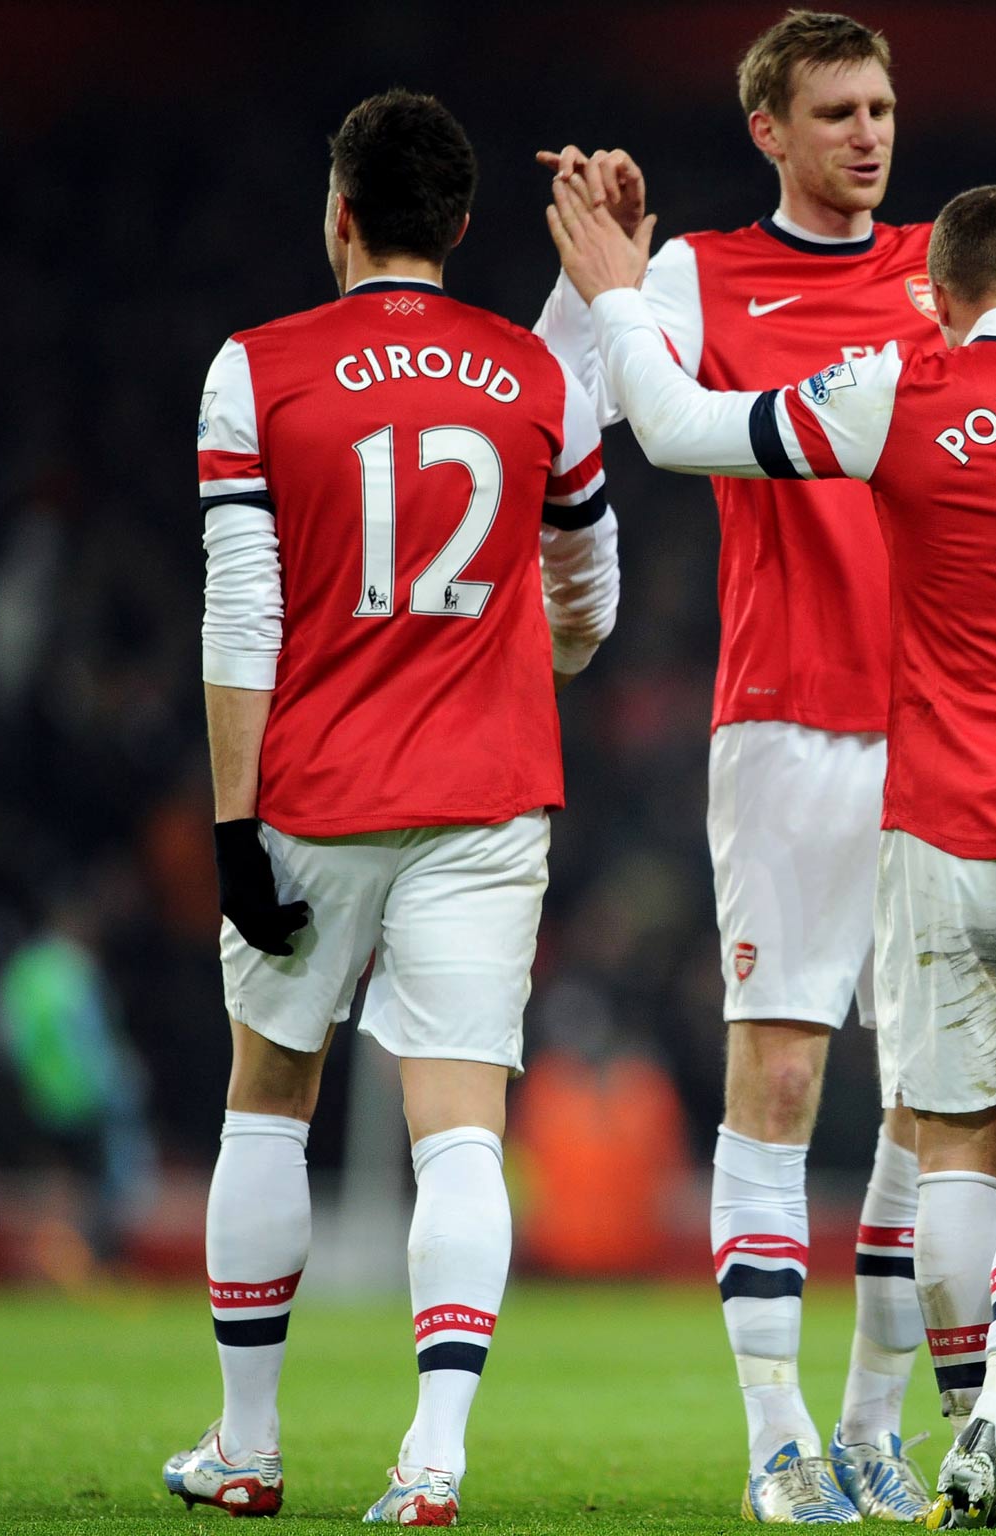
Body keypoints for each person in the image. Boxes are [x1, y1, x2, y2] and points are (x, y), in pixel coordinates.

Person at [532, 10, 996, 1521]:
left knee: (919, 1113)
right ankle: (773, 1438)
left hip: (948, 743)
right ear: (770, 132)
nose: (869, 134)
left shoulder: (946, 274)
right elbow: (572, 412)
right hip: (791, 725)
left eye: (881, 106)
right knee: (786, 1069)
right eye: (835, 112)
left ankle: (879, 1427)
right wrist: (588, 279)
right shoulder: (702, 276)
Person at [165, 89, 620, 1527]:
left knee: (268, 1105)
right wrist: (520, 656)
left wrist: (233, 827)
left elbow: (245, 615)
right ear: (465, 228)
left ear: (341, 215)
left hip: (313, 794)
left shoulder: (258, 370)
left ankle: (248, 1448)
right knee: (463, 1129)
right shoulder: (535, 378)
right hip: (487, 799)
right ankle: (434, 1458)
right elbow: (590, 597)